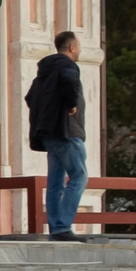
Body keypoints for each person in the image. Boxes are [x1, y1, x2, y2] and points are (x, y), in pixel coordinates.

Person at [26, 31, 88, 241]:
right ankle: (62, 226)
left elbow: (29, 97)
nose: (79, 50)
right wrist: (71, 106)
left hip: (48, 134)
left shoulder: (44, 72)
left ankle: (56, 228)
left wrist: (46, 114)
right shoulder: (67, 66)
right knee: (79, 176)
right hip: (66, 131)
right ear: (71, 47)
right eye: (78, 46)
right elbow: (70, 81)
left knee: (55, 182)